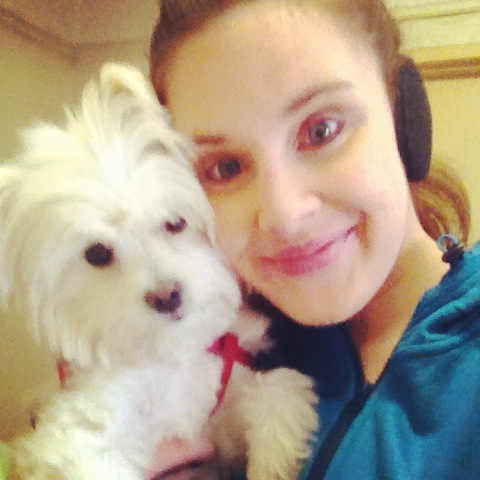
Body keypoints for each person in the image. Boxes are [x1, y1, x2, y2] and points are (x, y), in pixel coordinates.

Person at [147, 0, 480, 478]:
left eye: (321, 131)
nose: (284, 216)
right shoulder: (222, 357)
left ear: (403, 116)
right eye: (225, 168)